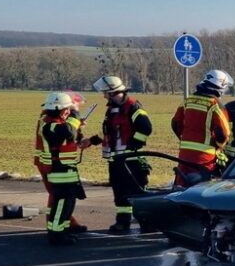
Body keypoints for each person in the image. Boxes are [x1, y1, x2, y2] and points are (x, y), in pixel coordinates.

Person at [84, 75, 153, 234]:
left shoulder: (133, 107)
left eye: (105, 93)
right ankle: (122, 223)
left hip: (131, 159)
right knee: (120, 193)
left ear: (112, 92)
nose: (103, 96)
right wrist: (93, 140)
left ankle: (147, 223)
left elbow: (146, 128)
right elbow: (112, 133)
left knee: (137, 193)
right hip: (116, 160)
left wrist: (132, 146)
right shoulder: (112, 109)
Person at [34, 93, 87, 234]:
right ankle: (56, 233)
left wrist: (79, 129)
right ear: (60, 109)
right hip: (57, 170)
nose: (68, 112)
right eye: (67, 109)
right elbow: (67, 132)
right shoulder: (49, 124)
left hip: (65, 169)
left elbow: (68, 138)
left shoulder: (55, 122)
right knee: (60, 202)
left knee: (67, 202)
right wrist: (75, 115)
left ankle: (65, 227)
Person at [172, 70, 233, 186]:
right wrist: (219, 148)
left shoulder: (188, 100)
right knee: (200, 190)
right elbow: (223, 133)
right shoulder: (215, 104)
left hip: (185, 154)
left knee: (180, 187)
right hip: (204, 158)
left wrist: (185, 139)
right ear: (220, 86)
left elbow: (175, 123)